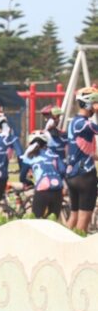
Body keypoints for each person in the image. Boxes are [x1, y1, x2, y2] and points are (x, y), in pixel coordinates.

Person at [64, 87, 97, 232]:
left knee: (74, 216)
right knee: (84, 220)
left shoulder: (73, 122)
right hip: (85, 176)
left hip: (72, 175)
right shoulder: (86, 124)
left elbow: (84, 150)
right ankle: (77, 254)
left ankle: (61, 249)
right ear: (89, 104)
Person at [20, 130, 66, 220]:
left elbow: (22, 176)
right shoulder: (54, 155)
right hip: (57, 190)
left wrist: (29, 182)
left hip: (42, 191)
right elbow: (63, 170)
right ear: (46, 143)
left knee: (37, 222)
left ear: (30, 143)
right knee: (53, 222)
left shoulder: (29, 156)